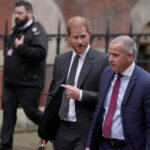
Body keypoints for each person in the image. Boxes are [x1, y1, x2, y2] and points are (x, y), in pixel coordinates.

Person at [38, 16, 108, 150]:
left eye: (83, 36)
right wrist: (45, 129)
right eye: (76, 37)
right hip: (61, 129)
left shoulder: (102, 60)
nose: (80, 41)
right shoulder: (60, 60)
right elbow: (52, 96)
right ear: (68, 37)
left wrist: (81, 95)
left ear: (89, 34)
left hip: (85, 130)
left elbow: (106, 98)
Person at [86, 35, 150, 150]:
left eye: (115, 55)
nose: (110, 59)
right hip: (102, 145)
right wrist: (89, 145)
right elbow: (99, 111)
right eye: (109, 54)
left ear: (130, 56)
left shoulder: (145, 82)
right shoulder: (106, 73)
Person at [0, 1, 48, 150]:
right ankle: (5, 146)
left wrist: (21, 47)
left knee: (31, 112)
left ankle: (53, 127)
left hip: (28, 83)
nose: (17, 16)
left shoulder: (36, 32)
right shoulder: (16, 31)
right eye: (16, 13)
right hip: (11, 83)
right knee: (8, 115)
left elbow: (41, 53)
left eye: (20, 13)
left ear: (29, 14)